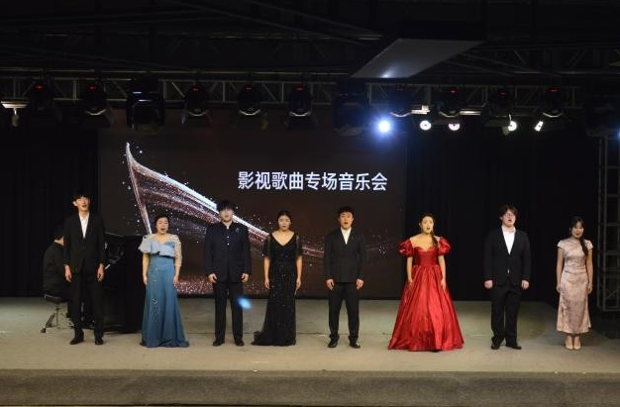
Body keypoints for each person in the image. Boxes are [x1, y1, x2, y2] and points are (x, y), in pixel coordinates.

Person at [388, 213, 463, 351]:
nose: (428, 224)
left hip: (434, 275)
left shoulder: (438, 240)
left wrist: (444, 278)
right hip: (418, 275)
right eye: (425, 222)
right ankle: (416, 339)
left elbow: (441, 260)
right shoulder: (412, 240)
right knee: (418, 308)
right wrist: (409, 278)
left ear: (433, 225)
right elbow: (409, 260)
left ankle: (436, 340)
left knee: (435, 307)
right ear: (420, 225)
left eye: (430, 222)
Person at [483, 204, 531, 350]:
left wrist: (526, 278)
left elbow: (527, 259)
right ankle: (497, 338)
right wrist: (488, 277)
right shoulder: (493, 235)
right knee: (497, 311)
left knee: (512, 312)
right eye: (507, 214)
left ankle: (511, 339)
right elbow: (487, 257)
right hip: (498, 280)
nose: (510, 216)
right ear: (501, 217)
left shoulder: (523, 236)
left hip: (516, 280)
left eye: (513, 214)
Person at [204, 199, 251, 346]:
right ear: (219, 212)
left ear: (233, 212)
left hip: (237, 274)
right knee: (220, 306)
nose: (226, 212)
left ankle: (238, 337)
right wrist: (209, 271)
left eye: (229, 209)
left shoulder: (241, 229)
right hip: (218, 274)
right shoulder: (212, 229)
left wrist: (247, 270)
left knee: (237, 307)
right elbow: (207, 252)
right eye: (223, 210)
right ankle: (219, 337)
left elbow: (246, 252)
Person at [253, 210, 303, 346]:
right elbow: (267, 258)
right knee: (274, 304)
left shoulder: (296, 237)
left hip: (291, 274)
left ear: (290, 222)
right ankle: (273, 335)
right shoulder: (270, 237)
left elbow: (299, 258)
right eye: (281, 220)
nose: (284, 223)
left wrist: (299, 277)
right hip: (274, 274)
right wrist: (266, 277)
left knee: (288, 305)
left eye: (287, 220)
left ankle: (287, 335)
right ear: (277, 222)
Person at [139, 214, 189, 348]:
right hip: (153, 275)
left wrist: (176, 275)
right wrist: (144, 274)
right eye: (160, 222)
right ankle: (153, 336)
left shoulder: (174, 238)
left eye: (166, 222)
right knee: (154, 303)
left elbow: (178, 258)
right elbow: (145, 258)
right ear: (155, 224)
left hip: (169, 274)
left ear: (168, 225)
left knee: (169, 302)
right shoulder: (148, 238)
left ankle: (169, 337)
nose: (163, 225)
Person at [63, 191, 106, 345]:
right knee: (75, 302)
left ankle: (99, 335)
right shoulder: (70, 221)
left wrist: (101, 265)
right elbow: (67, 246)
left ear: (89, 201)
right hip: (75, 267)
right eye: (80, 199)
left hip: (94, 267)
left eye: (86, 199)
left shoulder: (97, 220)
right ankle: (78, 334)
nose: (83, 201)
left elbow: (101, 244)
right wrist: (67, 267)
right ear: (75, 203)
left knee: (97, 301)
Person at [324, 206, 367, 349]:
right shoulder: (331, 236)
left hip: (353, 281)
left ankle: (353, 338)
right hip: (335, 280)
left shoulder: (359, 236)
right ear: (338, 219)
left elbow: (363, 258)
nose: (346, 219)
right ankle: (333, 338)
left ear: (353, 219)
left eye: (348, 216)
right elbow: (326, 258)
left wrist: (361, 277)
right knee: (333, 311)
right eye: (343, 216)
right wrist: (328, 276)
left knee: (353, 311)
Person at [556, 216, 593, 350]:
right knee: (568, 306)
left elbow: (589, 264)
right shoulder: (563, 244)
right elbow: (559, 264)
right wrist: (558, 282)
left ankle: (577, 336)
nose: (578, 230)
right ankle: (567, 336)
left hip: (581, 280)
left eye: (581, 228)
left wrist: (590, 282)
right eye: (576, 227)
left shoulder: (587, 244)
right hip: (567, 279)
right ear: (570, 229)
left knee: (580, 308)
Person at [43, 225, 72, 317]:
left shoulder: (52, 249)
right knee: (83, 292)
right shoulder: (57, 251)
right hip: (56, 288)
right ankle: (80, 318)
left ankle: (73, 315)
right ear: (63, 237)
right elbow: (63, 271)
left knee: (77, 289)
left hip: (52, 286)